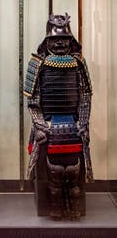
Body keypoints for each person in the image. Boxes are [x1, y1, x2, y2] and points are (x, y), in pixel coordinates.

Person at [24, 13, 93, 221]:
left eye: (65, 39)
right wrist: (39, 124)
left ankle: (73, 206)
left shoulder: (78, 62)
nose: (60, 43)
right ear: (47, 40)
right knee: (52, 173)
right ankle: (54, 206)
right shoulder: (38, 63)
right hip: (47, 123)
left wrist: (83, 122)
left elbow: (85, 95)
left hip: (73, 124)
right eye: (55, 39)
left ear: (71, 40)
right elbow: (33, 99)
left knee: (74, 171)